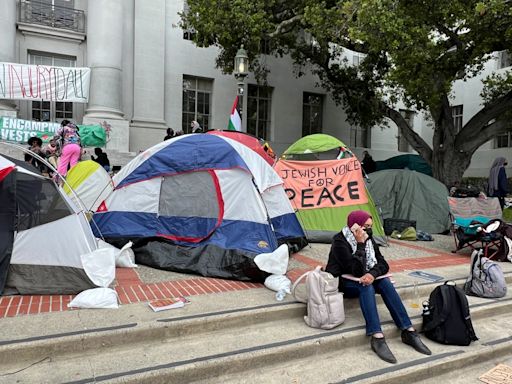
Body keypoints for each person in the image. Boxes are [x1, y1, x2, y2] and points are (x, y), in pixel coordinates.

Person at [325, 210, 431, 364]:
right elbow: (355, 270)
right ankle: (377, 336)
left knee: (384, 282)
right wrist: (360, 244)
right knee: (366, 287)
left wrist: (373, 274)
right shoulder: (339, 241)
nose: (368, 230)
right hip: (344, 282)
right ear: (355, 226)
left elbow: (383, 263)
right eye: (365, 226)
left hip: (365, 277)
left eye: (370, 226)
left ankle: (408, 330)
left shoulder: (369, 238)